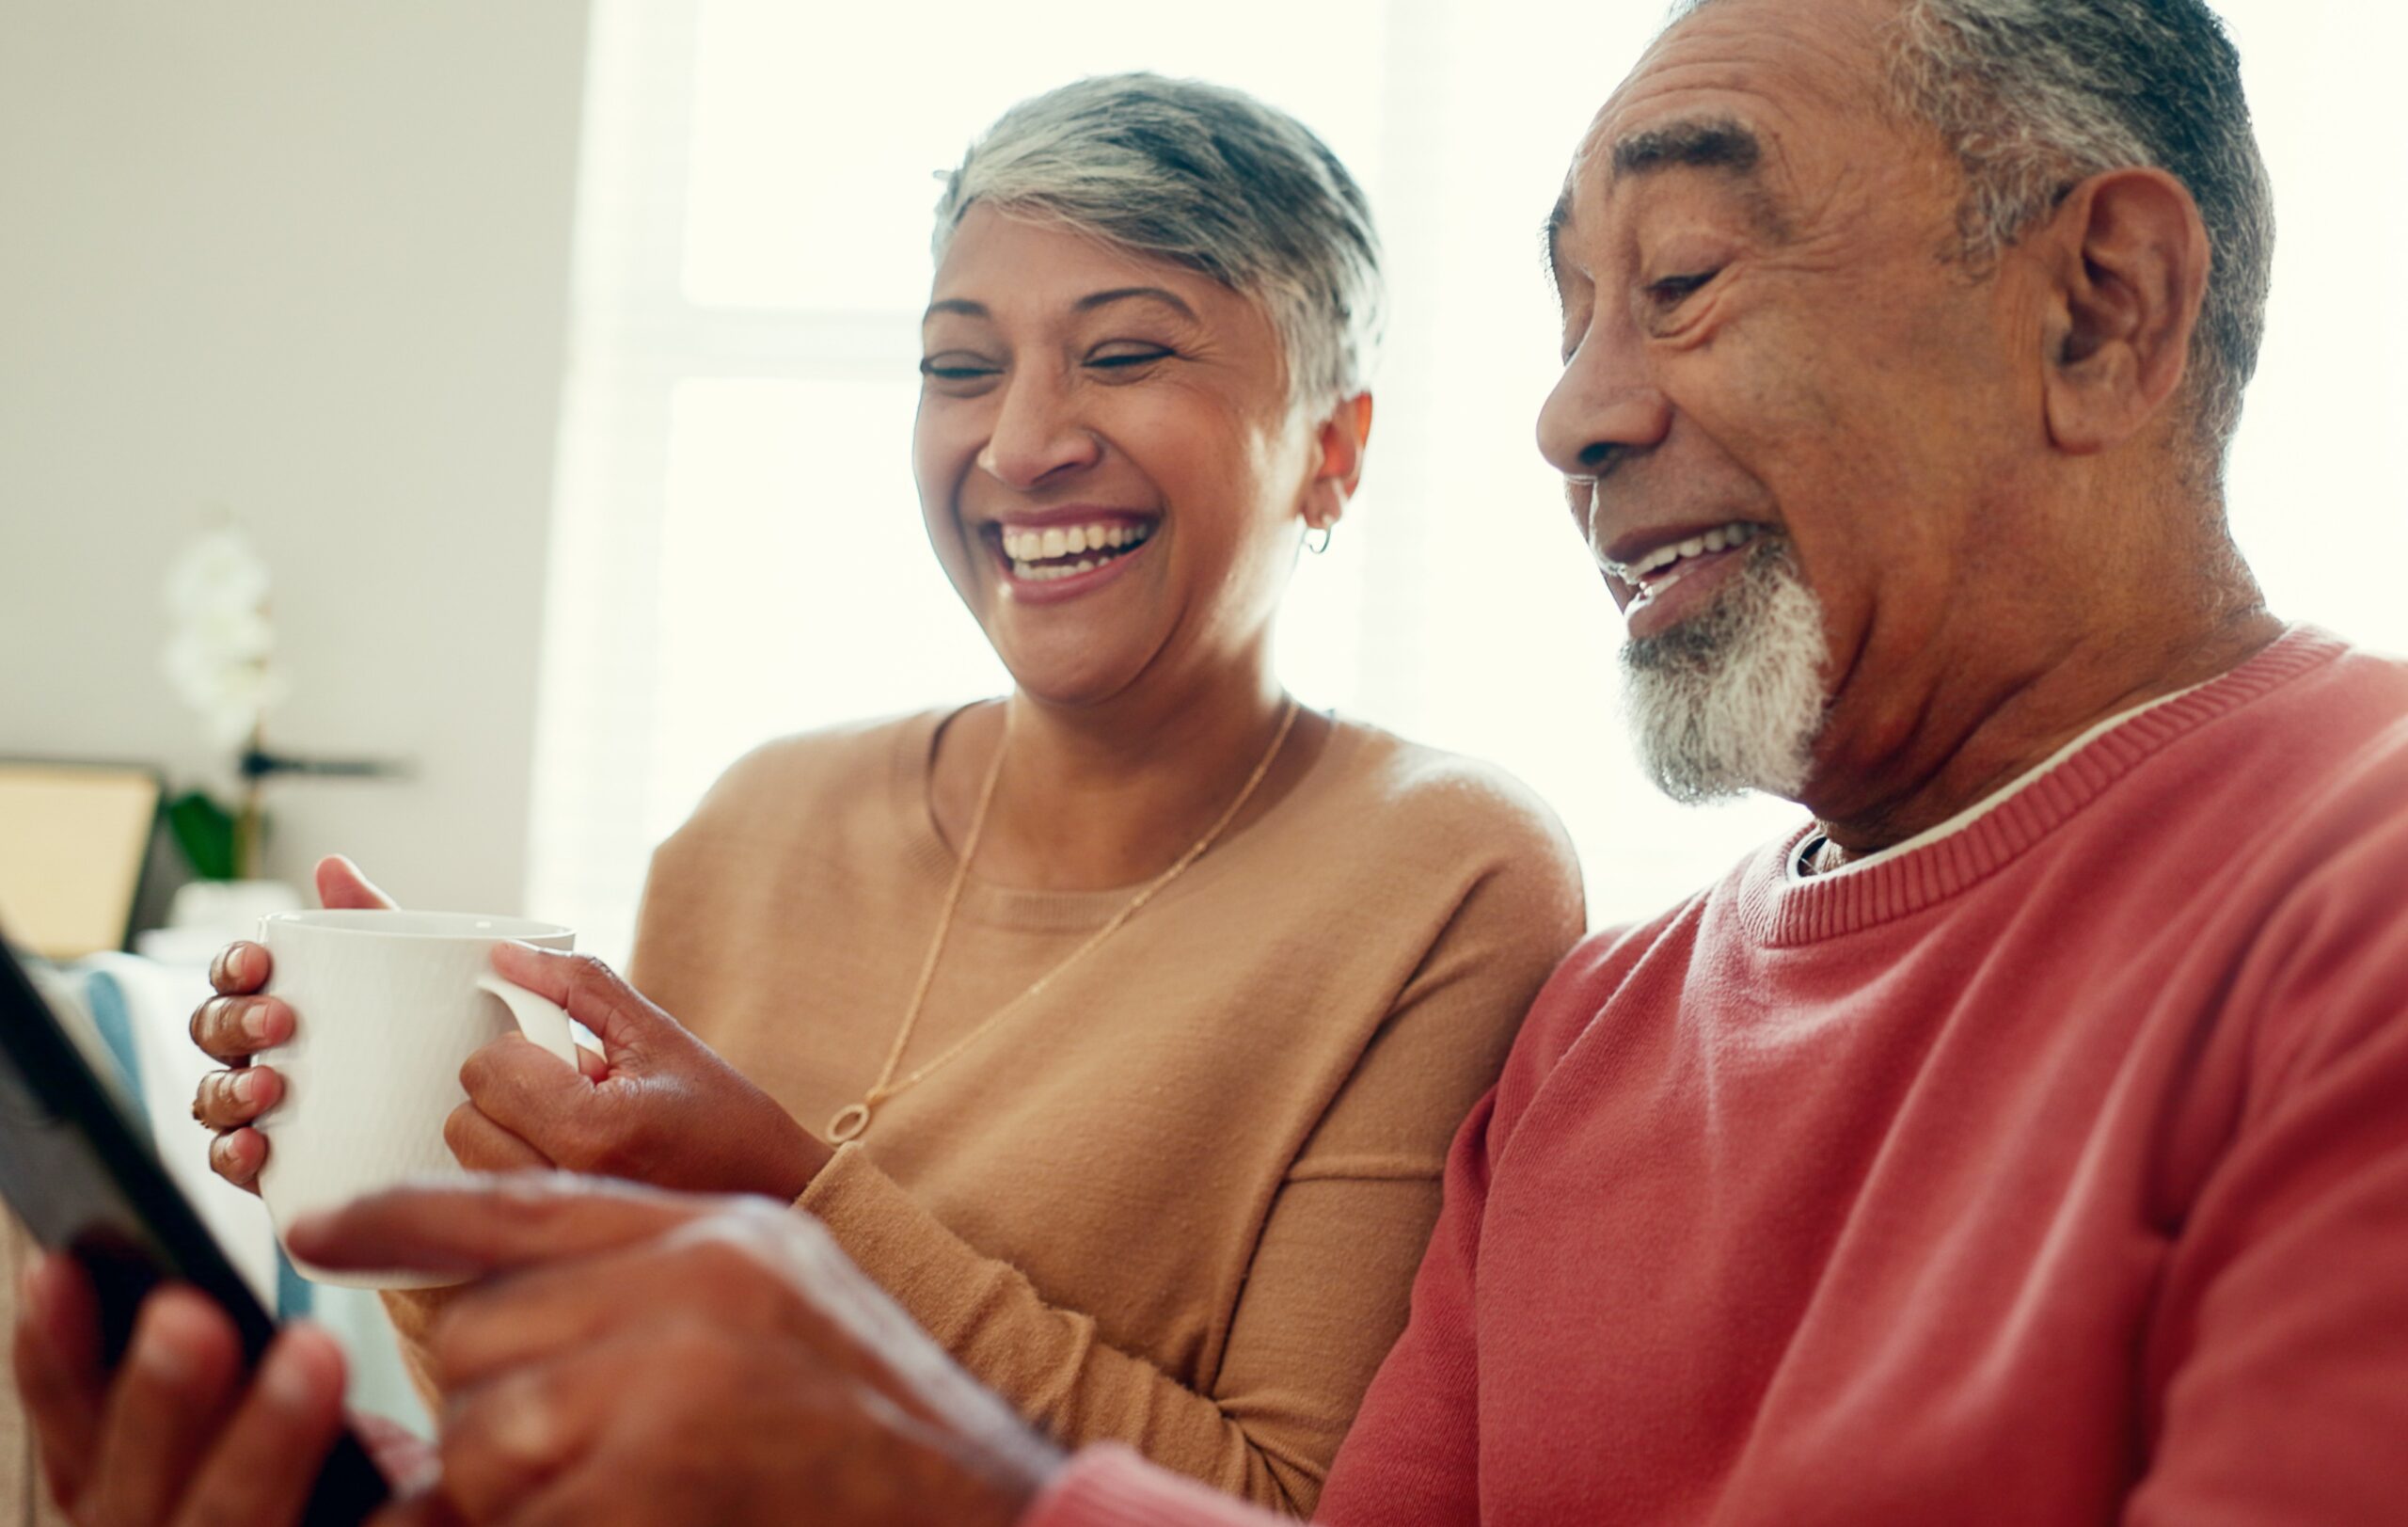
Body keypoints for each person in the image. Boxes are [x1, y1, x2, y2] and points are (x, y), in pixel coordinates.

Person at [21, 0, 2408, 1521]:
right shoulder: (1609, 1028)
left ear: (2098, 302)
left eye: (1676, 283)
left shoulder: (2346, 893)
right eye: (1569, 310)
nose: (1571, 409)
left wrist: (923, 1454)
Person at [164, 72, 1585, 1516]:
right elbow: (591, 1453)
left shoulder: (1445, 878)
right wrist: (437, 1163)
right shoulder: (754, 825)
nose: (1022, 443)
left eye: (1128, 352)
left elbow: (1288, 1506)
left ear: (1335, 452)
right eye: (960, 367)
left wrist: (785, 1202)